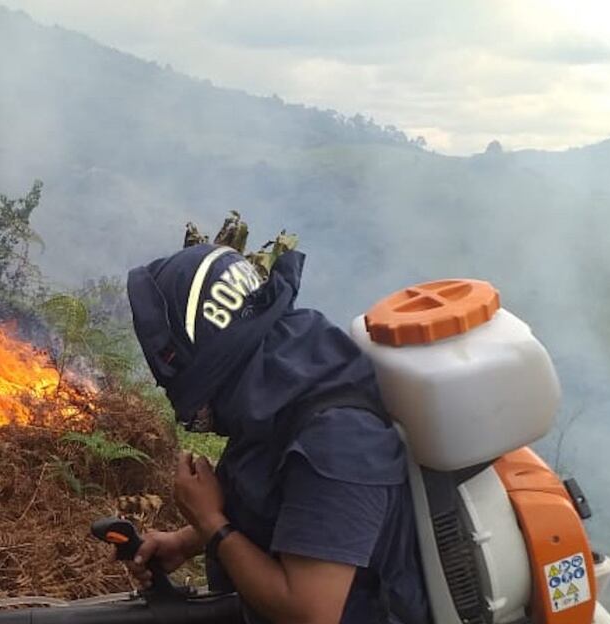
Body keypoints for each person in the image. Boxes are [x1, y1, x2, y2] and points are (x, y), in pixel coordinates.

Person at [123, 243, 430, 624]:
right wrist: (184, 542)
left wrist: (210, 523)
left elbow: (309, 614)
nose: (163, 384)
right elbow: (286, 508)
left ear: (204, 349)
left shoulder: (337, 443)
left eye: (169, 362)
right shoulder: (276, 380)